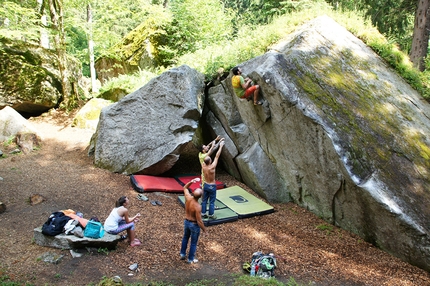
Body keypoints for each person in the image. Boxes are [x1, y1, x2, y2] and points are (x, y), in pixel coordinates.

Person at [180, 178, 206, 264]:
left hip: (186, 222)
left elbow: (185, 188)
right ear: (200, 197)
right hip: (194, 225)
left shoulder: (188, 198)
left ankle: (182, 254)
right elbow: (199, 221)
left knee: (185, 238)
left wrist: (191, 182)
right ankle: (190, 259)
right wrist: (204, 230)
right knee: (193, 243)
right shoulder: (198, 207)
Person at [201, 140, 225, 219]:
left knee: (204, 200)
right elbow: (217, 156)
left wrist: (212, 145)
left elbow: (207, 156)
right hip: (212, 186)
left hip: (206, 185)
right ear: (210, 161)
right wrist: (221, 146)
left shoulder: (203, 165)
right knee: (211, 202)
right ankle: (211, 215)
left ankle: (203, 213)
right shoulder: (212, 167)